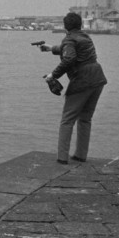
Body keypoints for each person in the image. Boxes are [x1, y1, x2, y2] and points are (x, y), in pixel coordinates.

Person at [40, 12, 107, 164]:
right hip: (98, 78)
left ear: (65, 27)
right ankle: (81, 155)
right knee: (85, 118)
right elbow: (73, 50)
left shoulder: (69, 39)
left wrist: (53, 75)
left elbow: (69, 58)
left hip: (82, 81)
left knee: (67, 119)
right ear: (80, 24)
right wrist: (51, 48)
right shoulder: (85, 37)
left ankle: (62, 158)